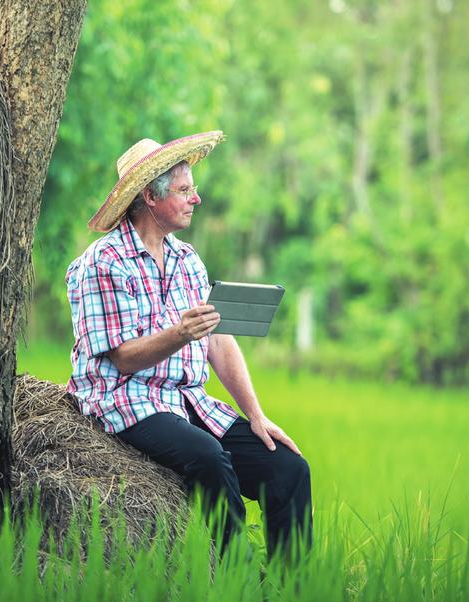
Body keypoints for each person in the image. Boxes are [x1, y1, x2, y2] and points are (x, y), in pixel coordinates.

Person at [64, 131, 312, 558]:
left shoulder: (188, 259)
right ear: (150, 197)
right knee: (208, 457)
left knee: (288, 467)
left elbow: (218, 340)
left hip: (186, 401)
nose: (196, 199)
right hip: (124, 400)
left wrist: (256, 416)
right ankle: (239, 579)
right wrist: (179, 333)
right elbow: (122, 360)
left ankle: (295, 586)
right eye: (184, 190)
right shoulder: (101, 263)